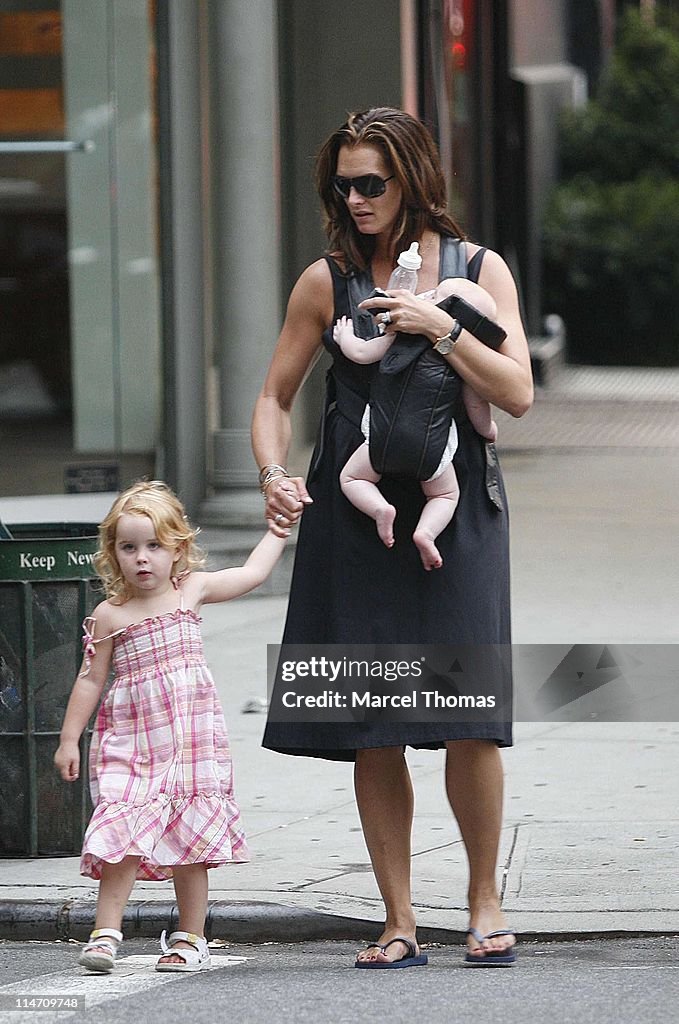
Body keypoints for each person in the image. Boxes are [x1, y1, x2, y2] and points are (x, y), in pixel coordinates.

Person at [251, 107, 533, 967]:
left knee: (469, 716)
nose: (355, 197)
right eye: (342, 184)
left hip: (456, 512)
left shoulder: (480, 272)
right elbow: (274, 397)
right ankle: (399, 920)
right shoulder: (325, 279)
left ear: (413, 178)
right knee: (373, 719)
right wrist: (272, 475)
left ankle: (483, 908)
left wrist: (440, 328)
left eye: (371, 182)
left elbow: (517, 393)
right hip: (356, 517)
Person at [54, 480, 287, 974]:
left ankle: (190, 938)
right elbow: (91, 679)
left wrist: (277, 530)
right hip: (132, 742)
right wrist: (70, 738)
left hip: (190, 742)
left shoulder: (191, 591)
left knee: (190, 841)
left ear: (178, 548)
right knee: (121, 829)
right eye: (128, 547)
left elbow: (250, 573)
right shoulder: (110, 614)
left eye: (155, 546)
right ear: (112, 553)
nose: (142, 558)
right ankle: (104, 933)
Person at [333, 276, 498, 569]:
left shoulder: (400, 334)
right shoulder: (463, 359)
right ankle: (426, 533)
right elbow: (477, 409)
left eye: (436, 294)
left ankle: (381, 508)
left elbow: (360, 353)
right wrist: (489, 430)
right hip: (432, 447)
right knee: (446, 495)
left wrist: (344, 336)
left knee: (352, 479)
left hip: (381, 438)